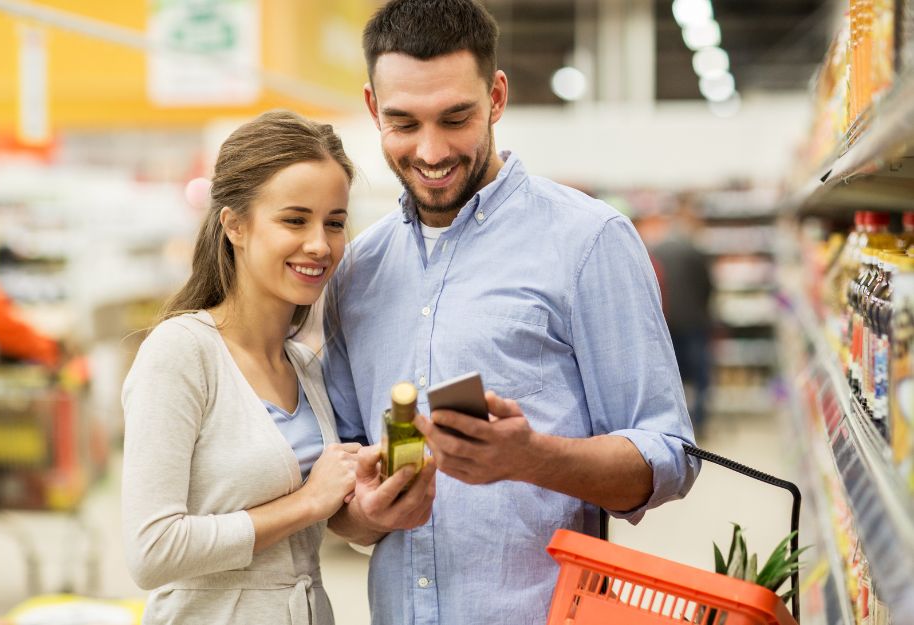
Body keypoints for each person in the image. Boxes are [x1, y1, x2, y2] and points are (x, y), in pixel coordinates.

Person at [323, 1, 700, 623]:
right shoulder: (357, 269)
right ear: (372, 109)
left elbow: (668, 456)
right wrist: (365, 512)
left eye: (455, 117)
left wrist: (532, 456)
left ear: (496, 97)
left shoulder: (588, 241)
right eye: (403, 123)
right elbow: (344, 485)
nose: (431, 149)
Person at [121, 110, 362, 625]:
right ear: (235, 225)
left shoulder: (306, 368)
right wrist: (307, 503)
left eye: (334, 222)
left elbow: (326, 523)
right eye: (295, 220)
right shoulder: (182, 352)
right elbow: (152, 550)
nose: (320, 244)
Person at [648, 193, 714, 431]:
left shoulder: (656, 249)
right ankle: (699, 423)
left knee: (670, 376)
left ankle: (673, 424)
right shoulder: (695, 250)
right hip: (694, 321)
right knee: (700, 378)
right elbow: (707, 286)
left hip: (666, 323)